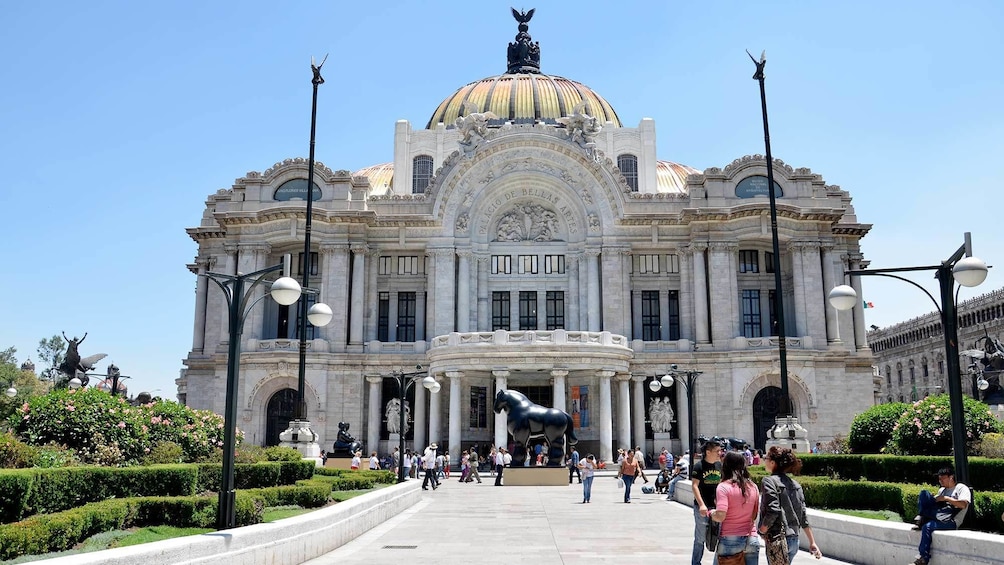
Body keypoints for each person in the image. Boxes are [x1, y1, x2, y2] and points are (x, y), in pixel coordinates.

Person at [758, 446, 822, 565]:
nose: (764, 460)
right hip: (794, 540)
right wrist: (812, 542)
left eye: (766, 457)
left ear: (773, 462)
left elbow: (773, 510)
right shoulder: (796, 484)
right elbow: (803, 516)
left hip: (778, 539)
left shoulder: (769, 481)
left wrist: (762, 530)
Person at [909, 466, 970, 565]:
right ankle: (922, 517)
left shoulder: (961, 488)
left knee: (927, 527)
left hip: (951, 521)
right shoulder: (942, 490)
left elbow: (963, 504)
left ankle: (923, 559)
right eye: (939, 478)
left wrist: (946, 498)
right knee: (924, 493)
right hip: (939, 516)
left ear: (951, 477)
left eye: (943, 478)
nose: (940, 480)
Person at [712, 451, 761, 565]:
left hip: (730, 539)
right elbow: (754, 515)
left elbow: (720, 516)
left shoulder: (724, 487)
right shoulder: (753, 486)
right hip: (751, 538)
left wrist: (711, 513)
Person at [691, 440, 723, 565]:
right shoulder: (699, 466)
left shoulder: (719, 465)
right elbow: (694, 486)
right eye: (717, 451)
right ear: (708, 452)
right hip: (702, 507)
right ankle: (696, 562)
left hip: (717, 507)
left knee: (719, 536)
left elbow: (721, 484)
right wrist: (701, 504)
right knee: (700, 538)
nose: (719, 453)